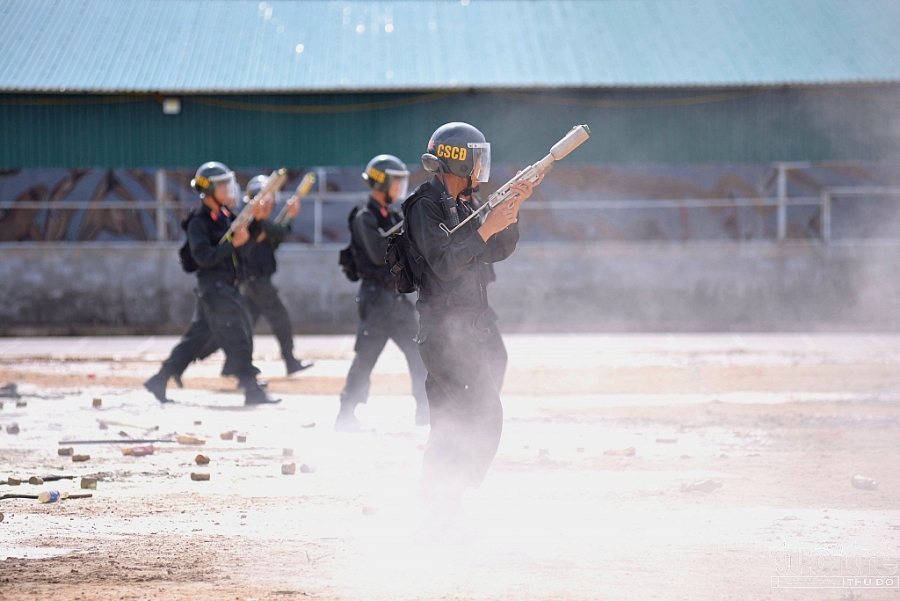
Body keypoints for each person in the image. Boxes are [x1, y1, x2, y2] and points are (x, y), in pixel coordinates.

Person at [402, 122, 539, 509]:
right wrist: (483, 231)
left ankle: (439, 515)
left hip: (468, 331)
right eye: (476, 156)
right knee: (482, 415)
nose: (482, 165)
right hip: (443, 333)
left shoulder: (468, 203)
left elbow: (494, 250)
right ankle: (443, 507)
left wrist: (511, 211)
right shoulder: (423, 205)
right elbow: (444, 264)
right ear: (457, 160)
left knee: (449, 428)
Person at [143, 162, 280, 405]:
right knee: (238, 335)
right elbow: (204, 257)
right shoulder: (199, 221)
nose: (229, 189)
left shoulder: (225, 215)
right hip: (214, 289)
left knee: (196, 340)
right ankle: (252, 389)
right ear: (210, 190)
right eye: (223, 185)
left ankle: (160, 379)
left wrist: (256, 221)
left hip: (227, 286)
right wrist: (232, 244)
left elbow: (244, 247)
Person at [173, 175, 314, 382]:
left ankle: (228, 365)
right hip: (253, 280)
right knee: (276, 318)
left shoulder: (258, 222)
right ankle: (286, 363)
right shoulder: (249, 221)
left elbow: (272, 241)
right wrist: (289, 216)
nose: (270, 202)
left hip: (251, 279)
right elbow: (278, 232)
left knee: (239, 327)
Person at [335, 155, 429, 432]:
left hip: (396, 299)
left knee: (418, 353)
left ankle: (425, 410)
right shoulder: (365, 216)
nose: (400, 186)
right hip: (376, 300)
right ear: (383, 181)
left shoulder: (393, 214)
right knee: (365, 358)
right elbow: (378, 254)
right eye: (396, 181)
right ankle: (345, 414)